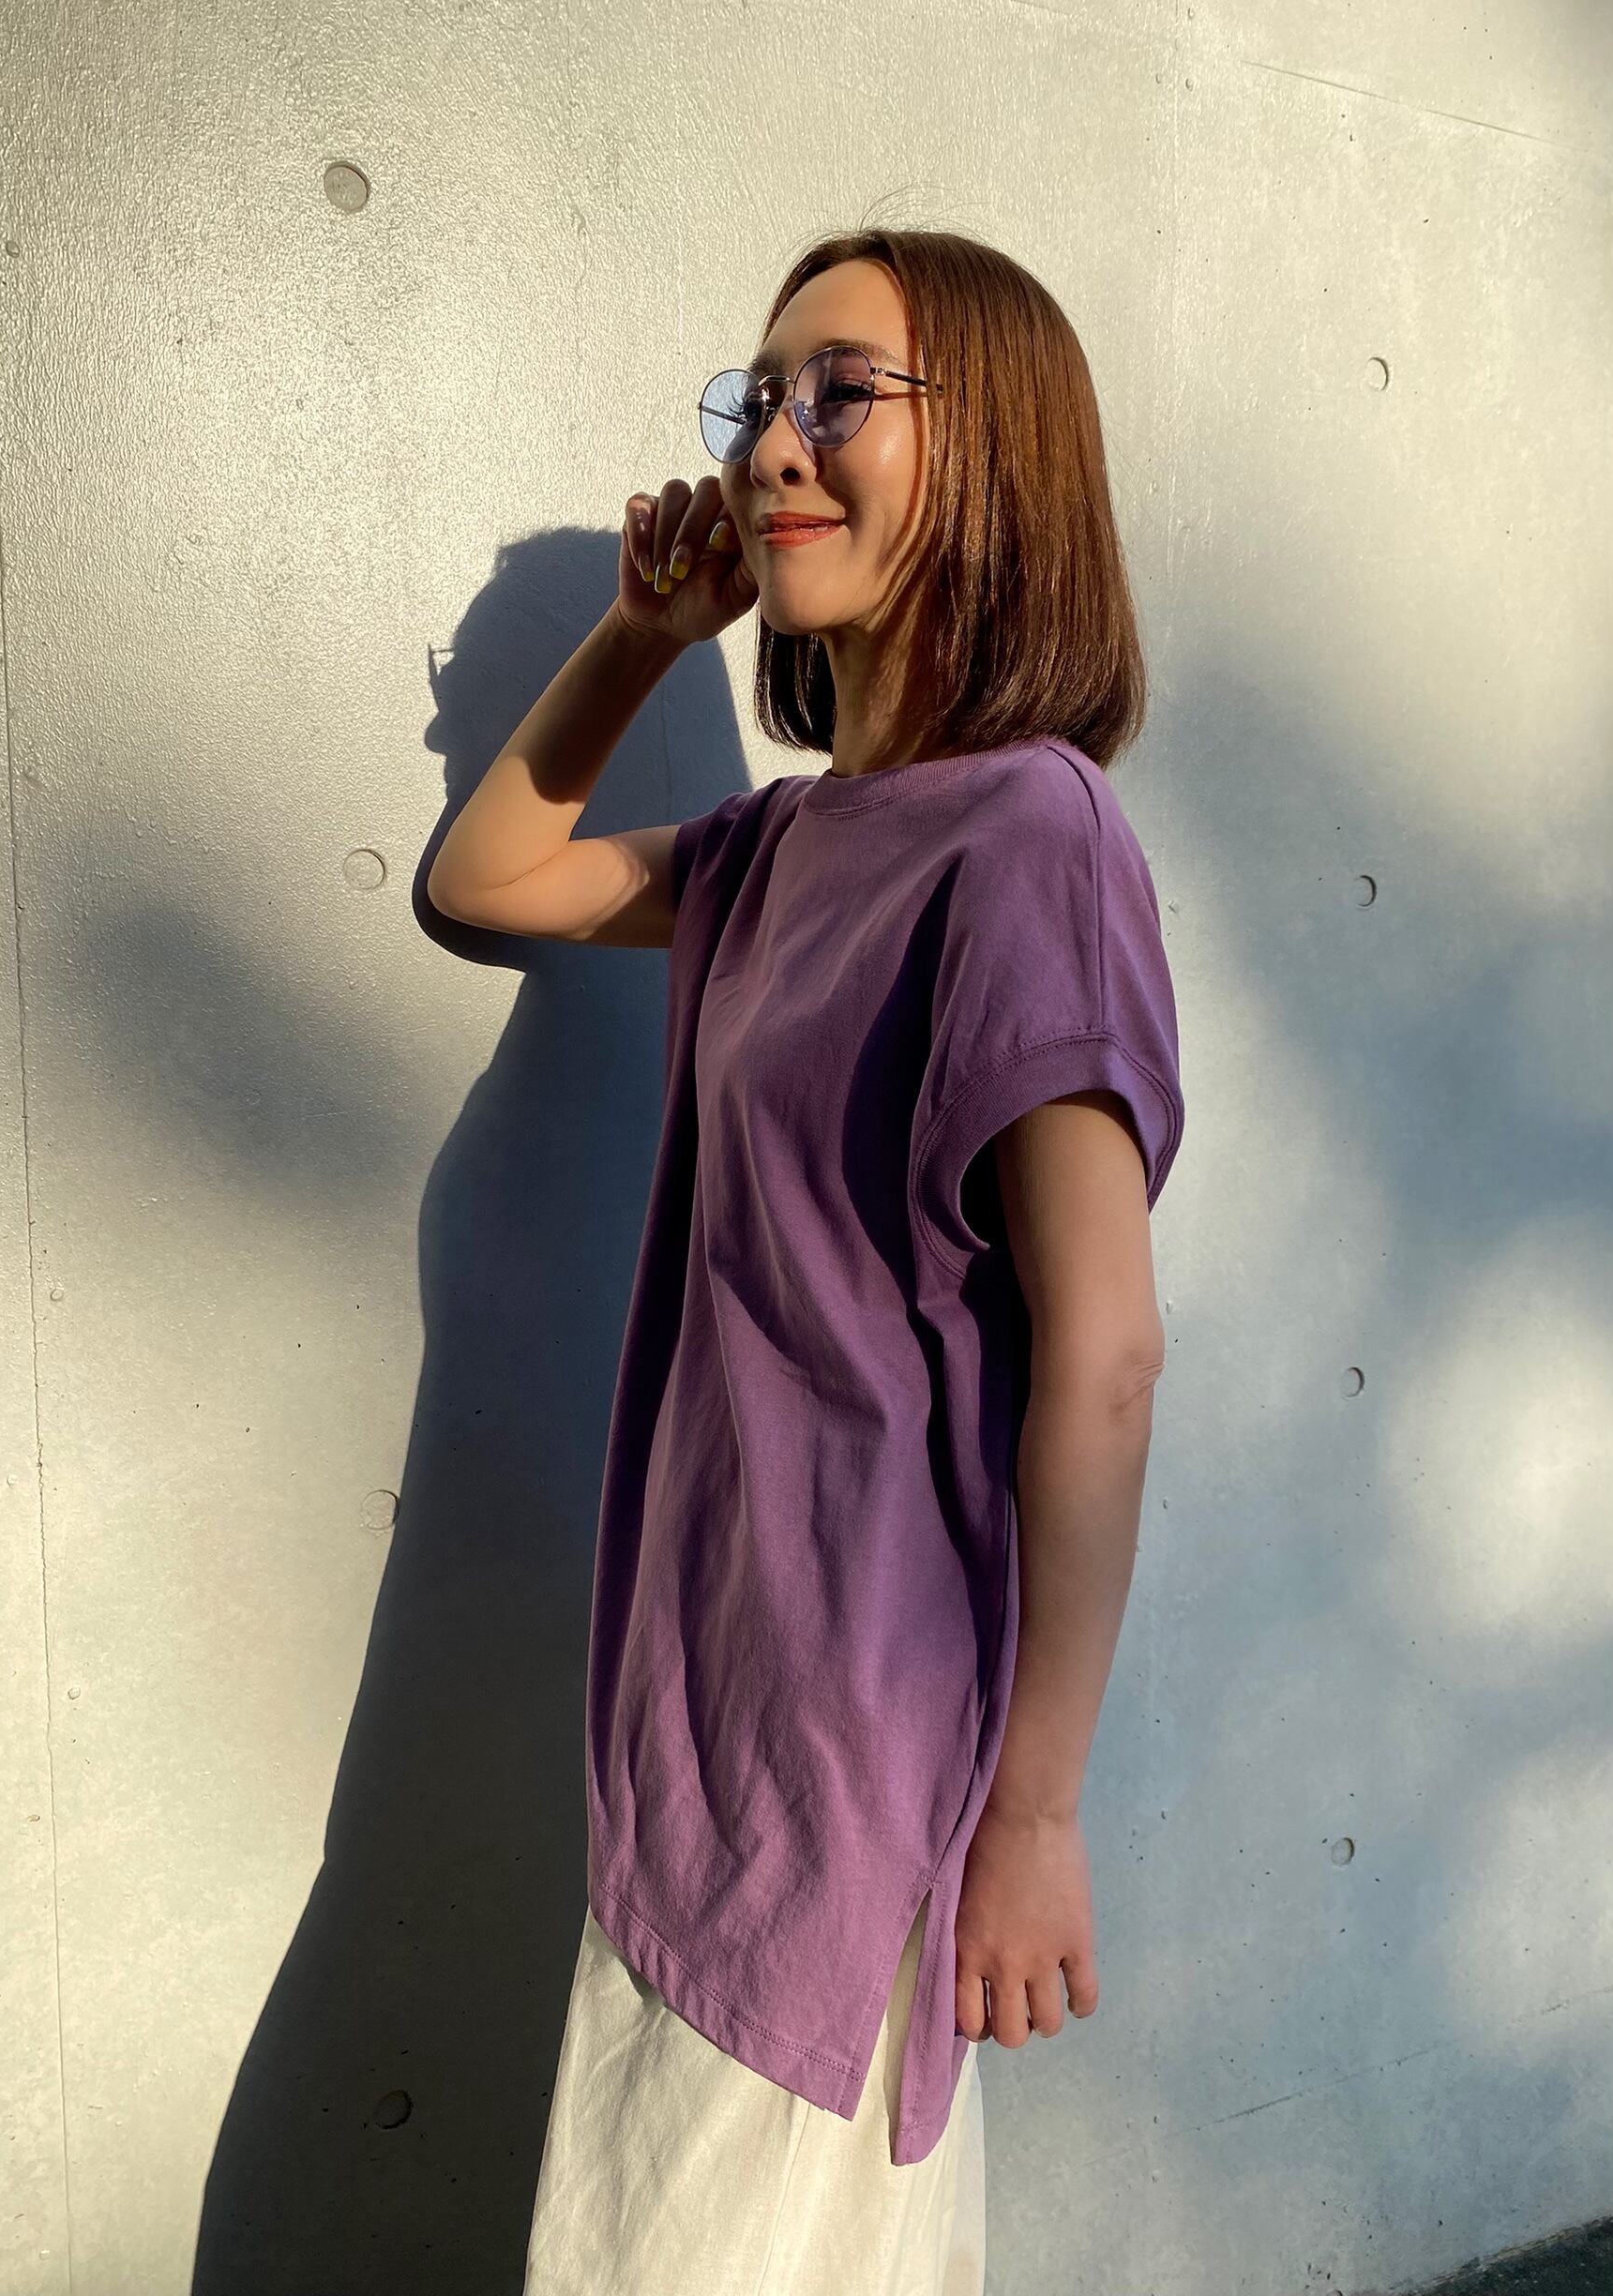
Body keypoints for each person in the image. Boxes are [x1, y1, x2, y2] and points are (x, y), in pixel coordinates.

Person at [425, 226, 1185, 2296]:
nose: (773, 443)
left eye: (842, 392)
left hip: (842, 1764)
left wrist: (1032, 1813)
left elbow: (1102, 1355)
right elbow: (481, 882)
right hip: (695, 1723)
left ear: (998, 450)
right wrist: (640, 636)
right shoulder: (777, 853)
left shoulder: (1027, 836)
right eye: (757, 395)